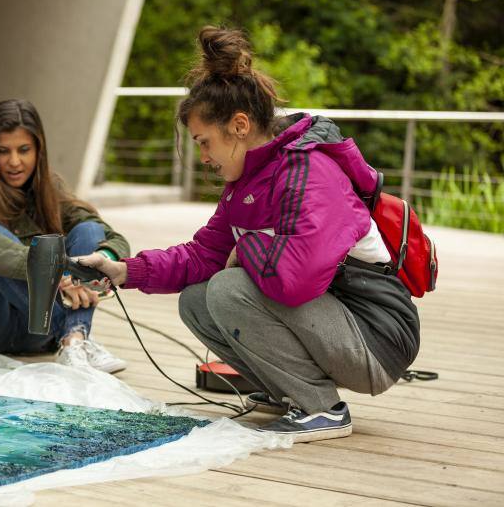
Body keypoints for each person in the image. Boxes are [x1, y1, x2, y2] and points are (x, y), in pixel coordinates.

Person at [79, 26, 420, 442]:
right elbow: (201, 256)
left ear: (240, 125)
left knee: (228, 288)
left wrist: (247, 246)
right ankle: (286, 392)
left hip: (377, 340)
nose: (203, 158)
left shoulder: (311, 171)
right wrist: (123, 271)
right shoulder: (248, 182)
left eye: (205, 143)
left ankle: (322, 408)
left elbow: (296, 281)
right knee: (198, 300)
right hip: (336, 327)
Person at [0, 99, 130, 372]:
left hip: (34, 328)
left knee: (89, 231)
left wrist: (96, 265)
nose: (14, 162)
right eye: (3, 151)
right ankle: (69, 332)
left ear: (38, 150)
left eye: (24, 150)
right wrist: (52, 270)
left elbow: (109, 236)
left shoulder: (48, 185)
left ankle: (74, 340)